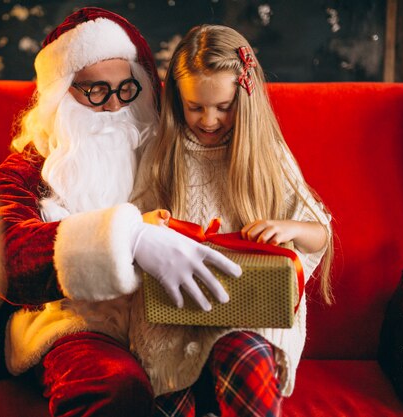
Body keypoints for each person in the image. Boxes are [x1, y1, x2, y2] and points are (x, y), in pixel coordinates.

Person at [0, 8, 241, 417]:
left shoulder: (165, 148)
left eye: (126, 88)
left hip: (163, 316)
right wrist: (128, 238)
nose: (115, 105)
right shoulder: (29, 167)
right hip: (73, 322)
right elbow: (6, 258)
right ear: (62, 93)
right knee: (112, 388)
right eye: (95, 91)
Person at [130, 24, 334, 417]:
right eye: (196, 107)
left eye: (224, 107)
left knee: (246, 359)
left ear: (246, 96)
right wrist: (144, 225)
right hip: (175, 324)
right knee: (167, 396)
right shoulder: (161, 154)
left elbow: (320, 234)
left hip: (250, 322)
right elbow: (131, 229)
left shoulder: (266, 154)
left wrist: (289, 228)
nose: (209, 120)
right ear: (178, 99)